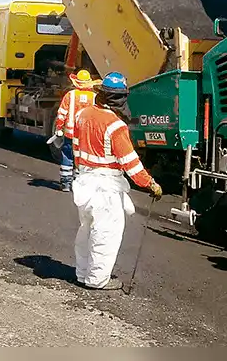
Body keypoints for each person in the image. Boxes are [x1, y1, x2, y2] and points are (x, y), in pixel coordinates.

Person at [71, 72, 163, 290]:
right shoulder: (115, 126)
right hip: (106, 189)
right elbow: (131, 163)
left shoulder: (82, 115)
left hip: (84, 183)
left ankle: (83, 273)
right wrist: (150, 184)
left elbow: (75, 147)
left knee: (86, 230)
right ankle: (97, 280)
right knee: (106, 234)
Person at [50, 69, 98, 192]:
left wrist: (59, 128)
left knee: (67, 156)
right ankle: (78, 183)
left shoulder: (70, 95)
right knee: (81, 158)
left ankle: (66, 184)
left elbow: (61, 114)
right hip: (85, 135)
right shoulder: (94, 97)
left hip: (70, 134)